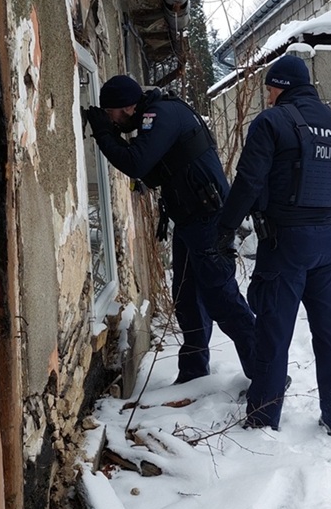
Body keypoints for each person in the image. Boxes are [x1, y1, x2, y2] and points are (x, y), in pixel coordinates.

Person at [215, 53, 331, 436]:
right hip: (328, 244)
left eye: (271, 88)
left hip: (285, 244)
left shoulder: (272, 122)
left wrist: (223, 230)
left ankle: (262, 421)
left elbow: (248, 183)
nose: (269, 95)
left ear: (282, 86)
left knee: (274, 335)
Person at [84, 75, 255, 385]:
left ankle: (266, 372)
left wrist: (103, 133)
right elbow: (152, 167)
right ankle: (193, 373)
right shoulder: (161, 112)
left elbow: (136, 163)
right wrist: (110, 132)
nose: (112, 120)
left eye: (112, 114)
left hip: (208, 219)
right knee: (187, 297)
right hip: (191, 218)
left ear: (128, 107)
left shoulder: (159, 115)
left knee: (221, 297)